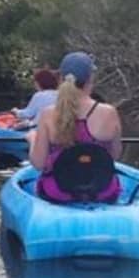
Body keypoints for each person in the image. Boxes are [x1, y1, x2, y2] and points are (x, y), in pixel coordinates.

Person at [31, 51, 123, 202]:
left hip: (57, 192)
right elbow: (114, 155)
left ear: (61, 79)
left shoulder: (48, 114)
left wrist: (32, 140)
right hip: (101, 191)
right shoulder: (109, 112)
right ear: (90, 78)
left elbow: (39, 164)